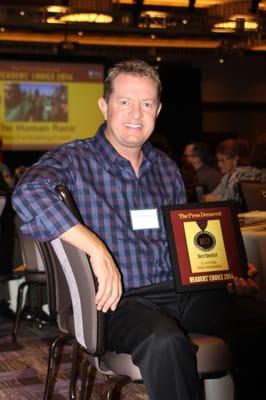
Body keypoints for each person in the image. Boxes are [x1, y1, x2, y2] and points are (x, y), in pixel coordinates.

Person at [12, 60, 266, 400]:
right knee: (164, 341)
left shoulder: (166, 169)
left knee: (256, 318)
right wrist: (96, 249)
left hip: (177, 291)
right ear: (104, 106)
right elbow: (27, 194)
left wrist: (223, 270)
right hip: (117, 302)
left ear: (158, 109)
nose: (136, 113)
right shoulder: (74, 160)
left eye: (146, 104)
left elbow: (182, 246)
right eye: (124, 102)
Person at [204, 137, 263, 209]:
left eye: (223, 160)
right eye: (218, 160)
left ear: (235, 159)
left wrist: (210, 198)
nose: (219, 164)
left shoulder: (237, 176)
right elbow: (214, 195)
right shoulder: (227, 176)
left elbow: (226, 204)